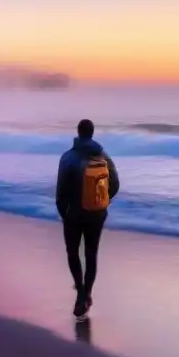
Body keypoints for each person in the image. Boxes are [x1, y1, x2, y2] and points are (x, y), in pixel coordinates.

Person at [56, 118, 120, 320]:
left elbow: (60, 193)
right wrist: (102, 204)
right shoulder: (104, 157)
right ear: (92, 133)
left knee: (73, 253)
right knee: (91, 254)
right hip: (97, 214)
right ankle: (88, 294)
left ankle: (81, 294)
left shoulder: (68, 158)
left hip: (73, 214)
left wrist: (64, 214)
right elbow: (115, 184)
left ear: (78, 133)